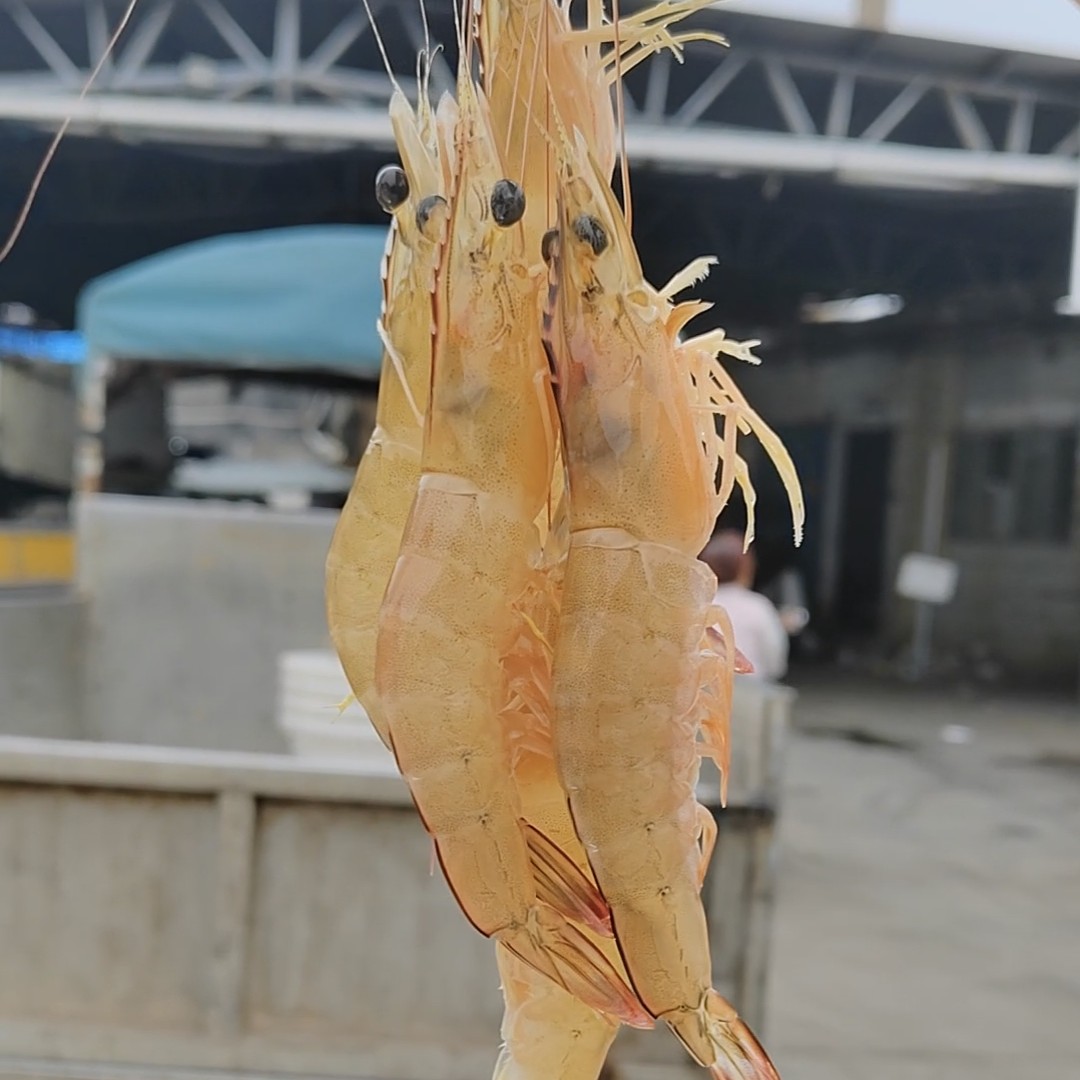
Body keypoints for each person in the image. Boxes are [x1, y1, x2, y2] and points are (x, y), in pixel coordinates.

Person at [701, 530, 789, 682]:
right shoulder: (758, 606)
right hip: (751, 695)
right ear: (746, 567)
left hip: (704, 692)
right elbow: (776, 664)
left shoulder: (694, 607)